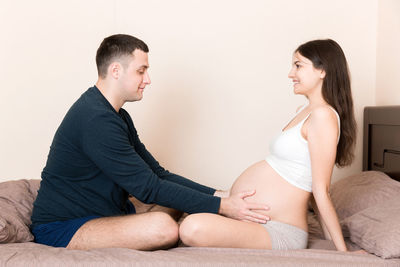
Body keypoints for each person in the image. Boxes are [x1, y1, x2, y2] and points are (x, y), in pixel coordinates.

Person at [30, 34, 270, 250]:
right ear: (116, 70)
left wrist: (221, 195)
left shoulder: (118, 116)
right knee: (163, 227)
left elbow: (158, 174)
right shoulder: (94, 118)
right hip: (64, 227)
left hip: (109, 214)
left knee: (176, 201)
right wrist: (224, 207)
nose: (148, 79)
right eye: (141, 70)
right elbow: (148, 188)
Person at [179, 39, 357, 251]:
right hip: (252, 219)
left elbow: (320, 190)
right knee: (181, 202)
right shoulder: (305, 110)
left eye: (298, 65)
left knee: (192, 227)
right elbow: (305, 184)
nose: (291, 73)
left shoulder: (324, 116)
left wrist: (343, 252)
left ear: (322, 71)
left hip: (278, 229)